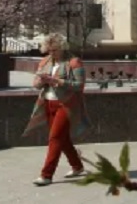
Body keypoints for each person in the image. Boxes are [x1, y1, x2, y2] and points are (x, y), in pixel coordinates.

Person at [22, 32, 90, 186]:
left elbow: (80, 85)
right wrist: (40, 81)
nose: (52, 53)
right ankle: (77, 166)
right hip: (48, 102)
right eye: (49, 50)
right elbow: (35, 84)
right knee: (62, 139)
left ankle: (46, 174)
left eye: (55, 50)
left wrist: (56, 81)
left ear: (62, 47)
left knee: (55, 138)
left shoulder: (74, 62)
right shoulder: (45, 61)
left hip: (67, 105)